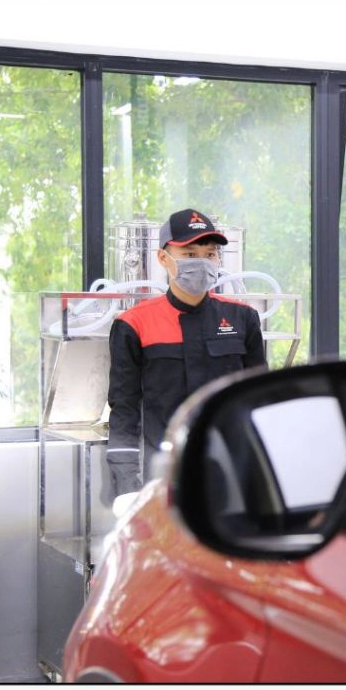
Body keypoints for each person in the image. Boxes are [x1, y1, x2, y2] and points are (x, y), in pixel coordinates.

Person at [106, 208, 266, 496]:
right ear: (163, 258)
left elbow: (258, 401)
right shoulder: (134, 324)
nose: (202, 262)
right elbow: (124, 409)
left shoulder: (243, 318)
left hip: (231, 475)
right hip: (164, 479)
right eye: (190, 254)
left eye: (210, 254)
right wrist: (127, 485)